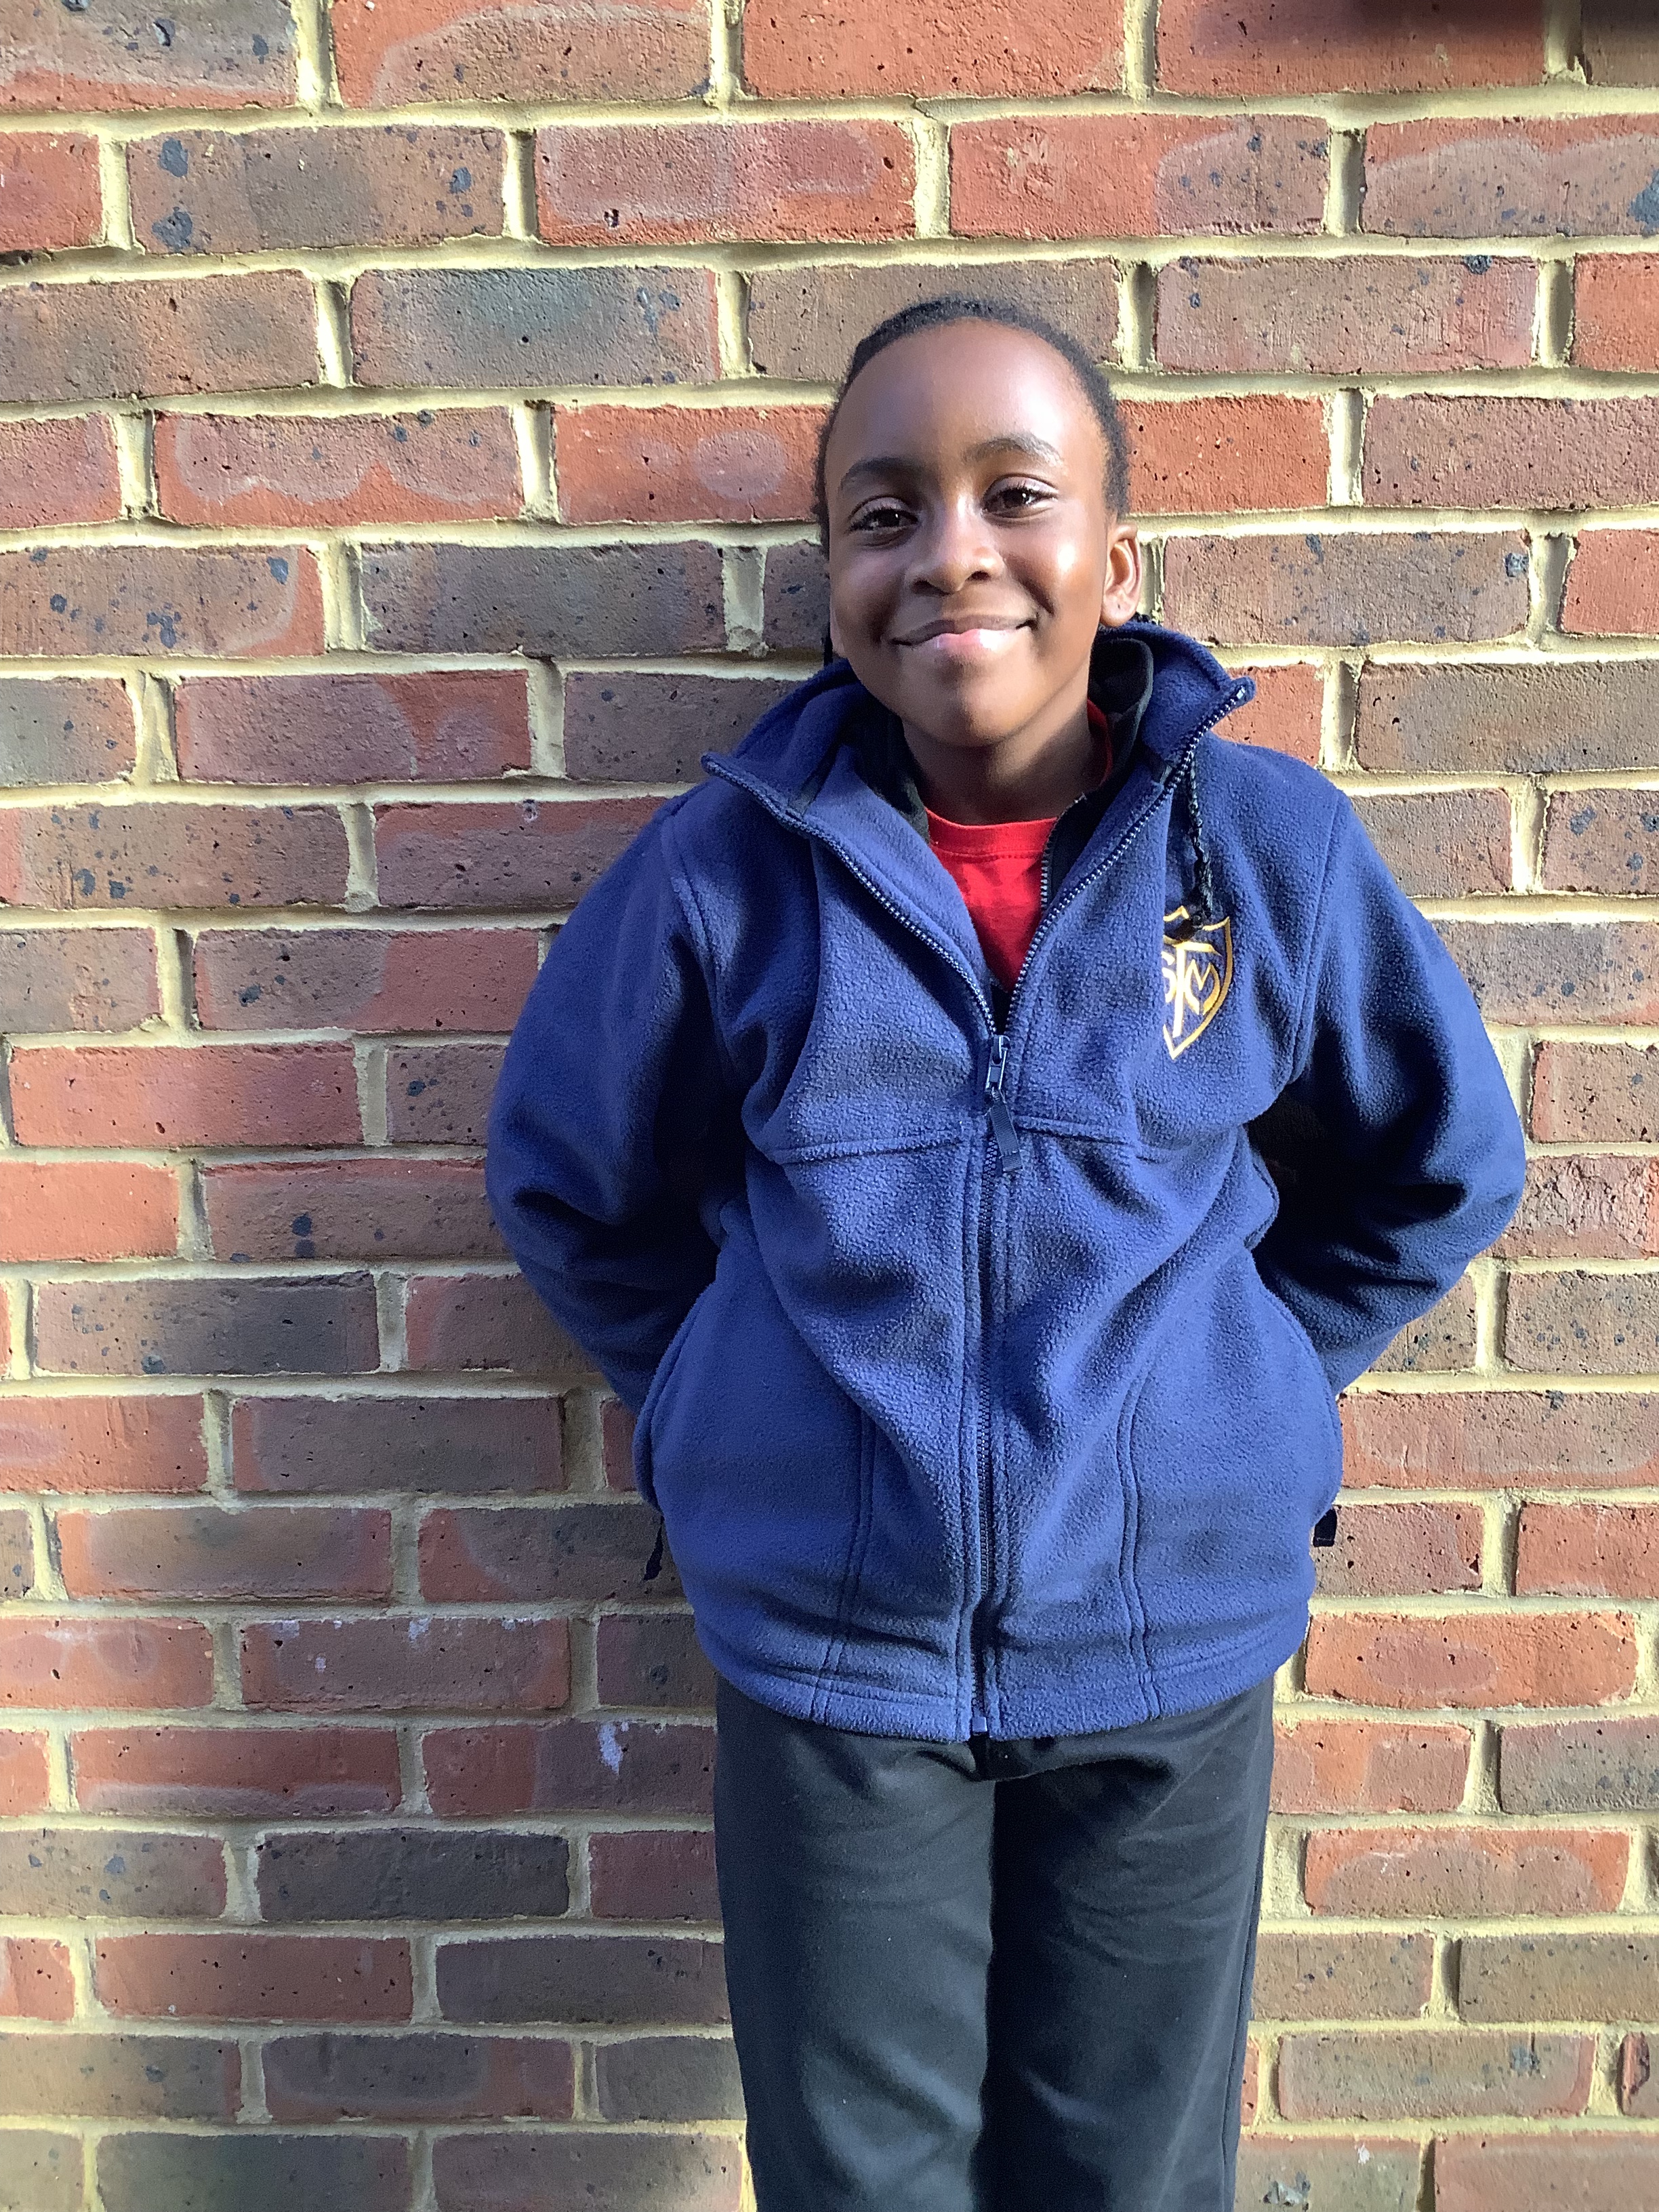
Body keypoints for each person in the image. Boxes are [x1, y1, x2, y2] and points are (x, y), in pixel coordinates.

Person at [487, 295, 1526, 2212]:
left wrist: (1231, 1382)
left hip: (1165, 1656)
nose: (950, 552)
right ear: (831, 586)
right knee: (862, 2178)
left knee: (1125, 2172)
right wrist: (735, 1393)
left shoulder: (1267, 854)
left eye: (1015, 495)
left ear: (1117, 563)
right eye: (883, 514)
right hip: (838, 1670)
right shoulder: (727, 875)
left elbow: (1437, 1165)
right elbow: (569, 1184)